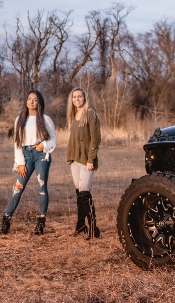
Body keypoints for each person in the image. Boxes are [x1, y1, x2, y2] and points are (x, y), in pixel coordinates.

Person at [0, 90, 57, 235]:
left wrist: (42, 145)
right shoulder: (20, 119)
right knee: (18, 187)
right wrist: (20, 162)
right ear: (26, 101)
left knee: (41, 187)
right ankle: (6, 219)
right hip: (25, 155)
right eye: (29, 99)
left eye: (35, 99)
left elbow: (53, 139)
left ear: (39, 102)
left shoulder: (45, 119)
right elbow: (17, 142)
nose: (31, 102)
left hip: (41, 155)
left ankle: (40, 222)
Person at [66, 87, 102, 239]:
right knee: (78, 193)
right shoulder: (73, 115)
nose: (77, 99)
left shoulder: (90, 114)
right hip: (75, 159)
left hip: (86, 160)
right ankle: (81, 225)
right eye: (74, 97)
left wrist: (91, 159)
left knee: (84, 192)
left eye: (80, 97)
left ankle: (94, 228)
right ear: (72, 100)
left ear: (84, 98)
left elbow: (95, 138)